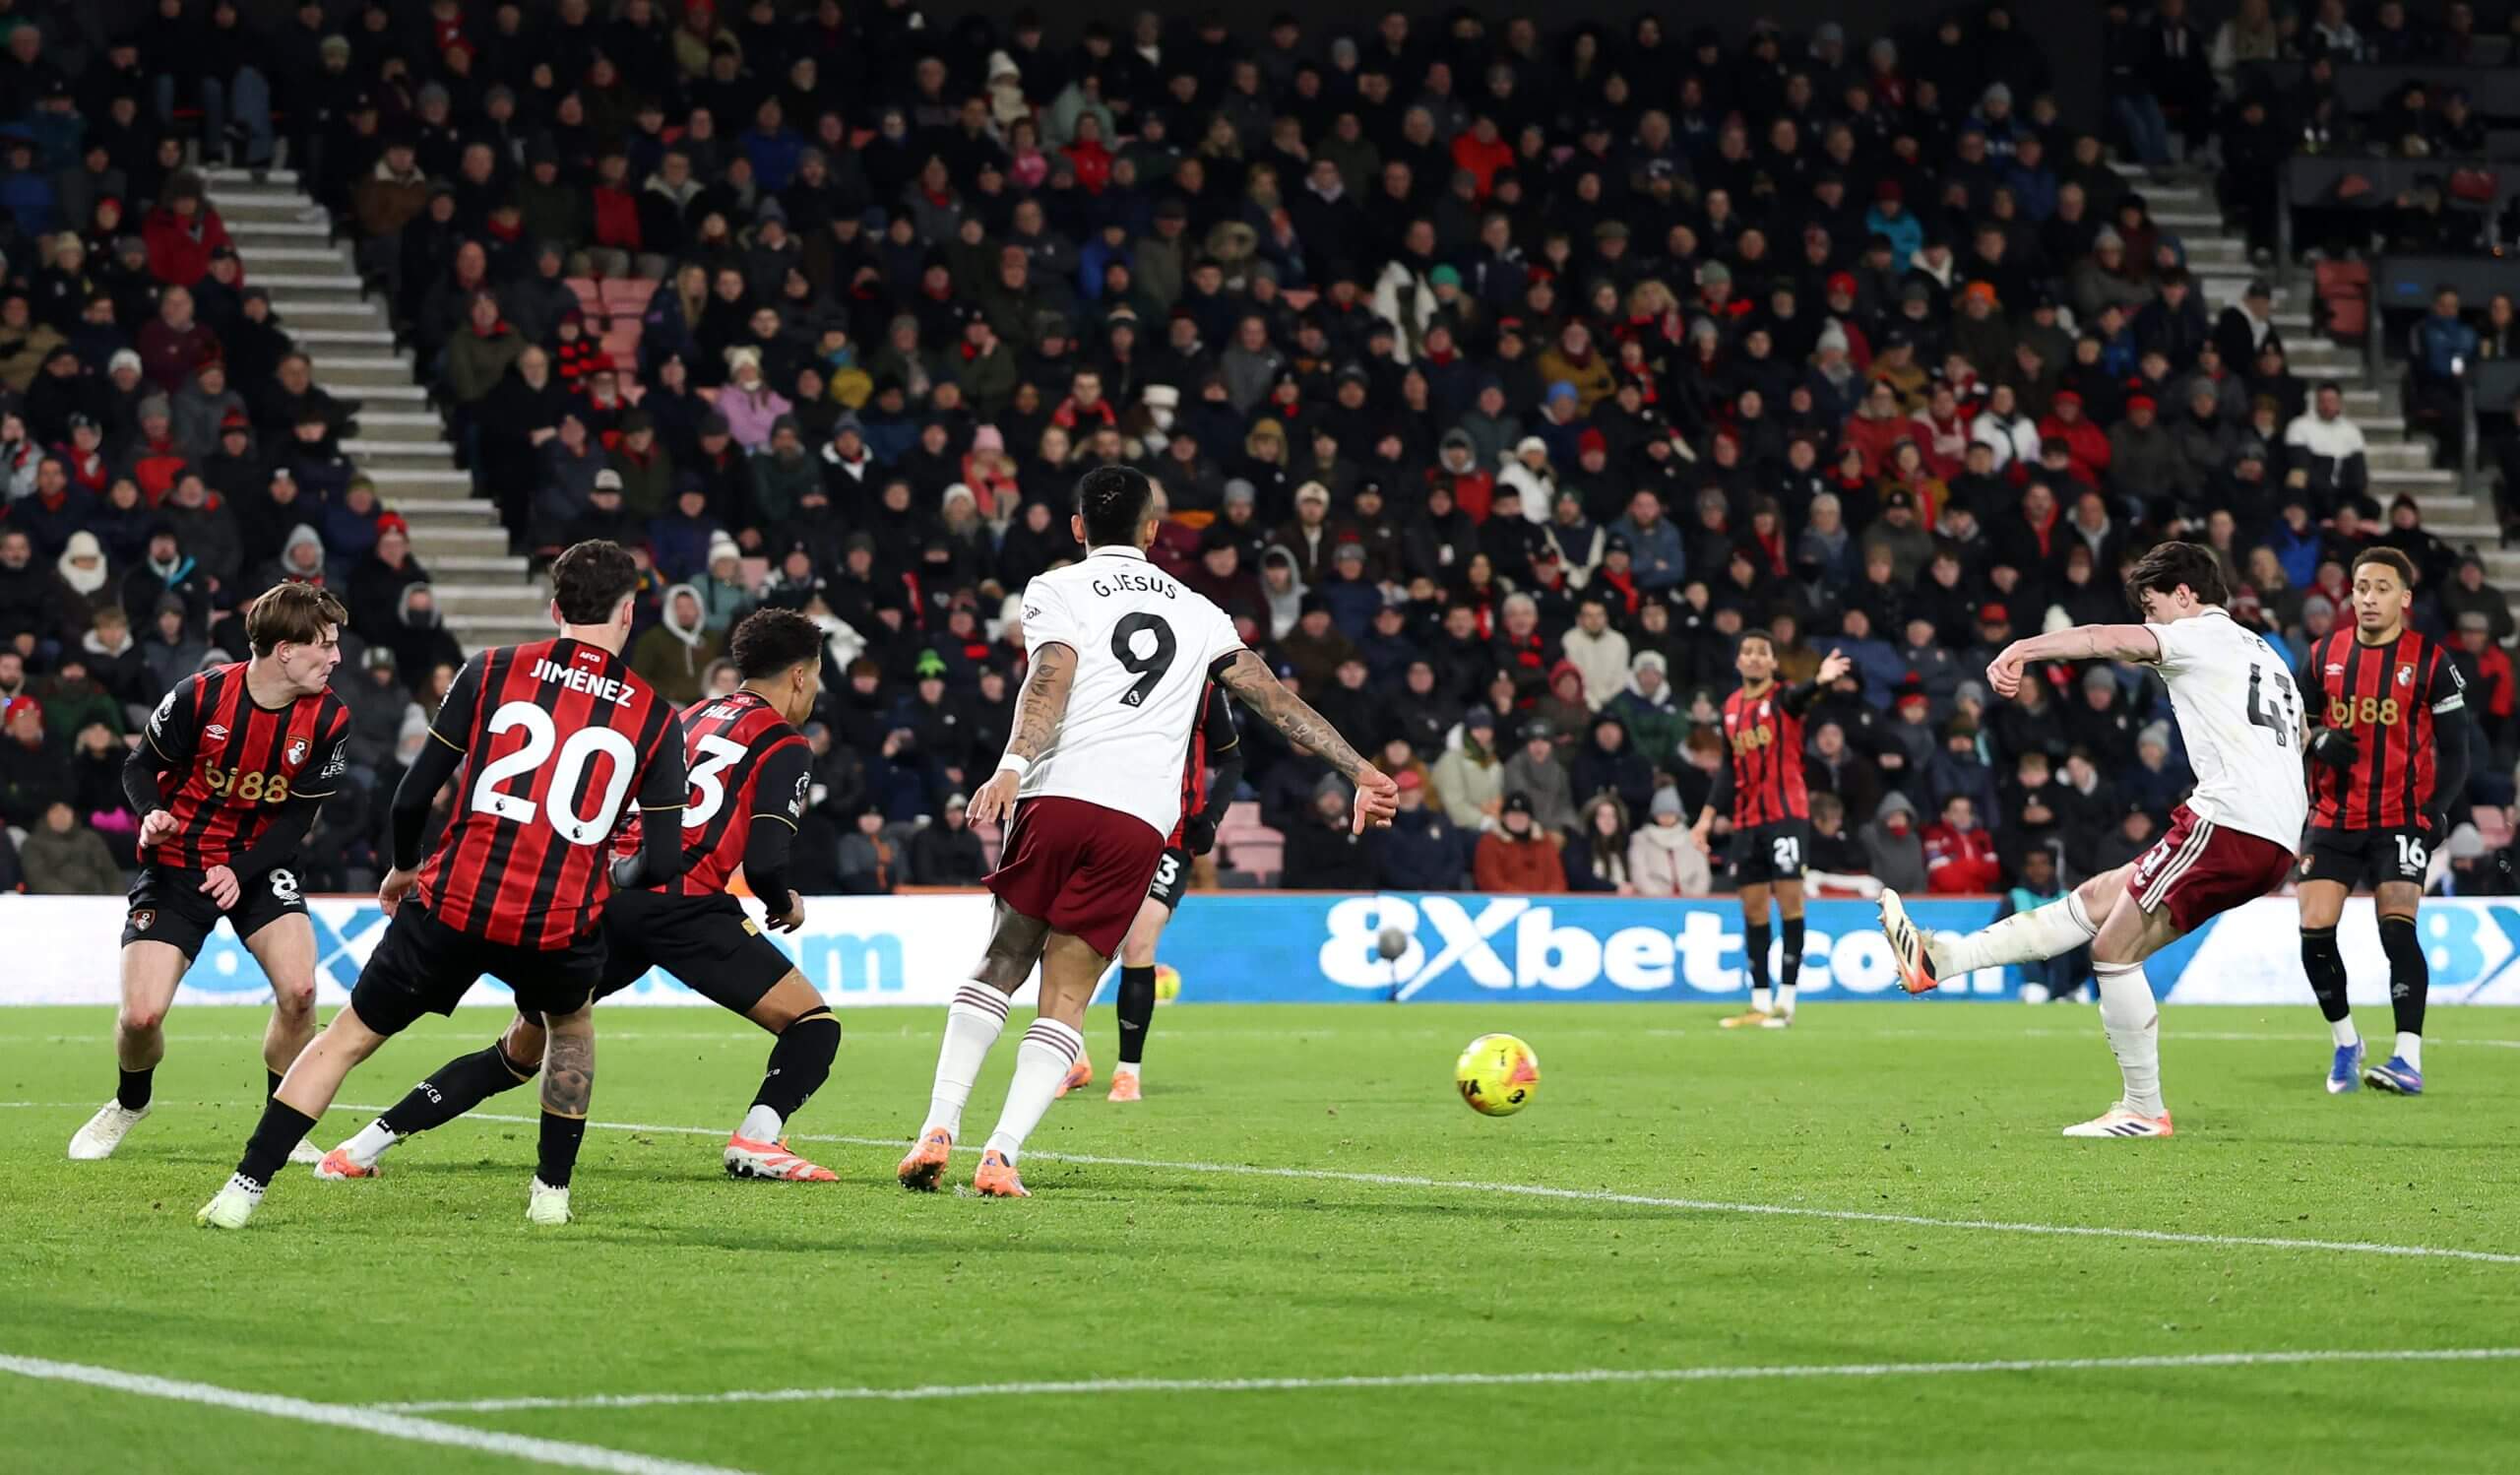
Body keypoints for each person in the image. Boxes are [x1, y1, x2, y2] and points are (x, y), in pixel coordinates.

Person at [898, 467, 1395, 1198]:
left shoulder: (1056, 587)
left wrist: (1011, 765)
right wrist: (1359, 769)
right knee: (1067, 996)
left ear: (1077, 528)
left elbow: (1051, 679)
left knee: (1002, 961)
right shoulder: (1200, 611)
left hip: (1060, 796)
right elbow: (1270, 698)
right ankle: (1001, 1153)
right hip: (1138, 823)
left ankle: (938, 1126)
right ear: (1154, 532)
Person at [197, 542, 691, 1229]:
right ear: (630, 612)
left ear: (554, 608)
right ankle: (550, 1195)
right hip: (553, 918)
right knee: (569, 1028)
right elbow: (663, 861)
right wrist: (604, 879)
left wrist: (405, 865)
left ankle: (241, 1192)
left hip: (454, 899)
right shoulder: (657, 717)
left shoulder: (490, 670)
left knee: (344, 1039)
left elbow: (413, 795)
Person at [318, 609, 846, 1183]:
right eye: (815, 678)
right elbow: (766, 862)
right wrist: (783, 901)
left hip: (612, 890)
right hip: (685, 903)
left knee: (519, 1051)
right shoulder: (784, 743)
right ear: (800, 675)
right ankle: (758, 1139)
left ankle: (361, 1147)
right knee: (812, 1024)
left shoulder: (685, 717)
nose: (813, 692)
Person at [1880, 542, 2307, 1138]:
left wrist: (2022, 649)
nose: (2150, 621)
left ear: (2185, 595)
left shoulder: (2198, 635)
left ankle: (2142, 1108)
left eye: (2153, 606)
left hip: (2232, 821)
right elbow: (2301, 739)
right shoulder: (2265, 652)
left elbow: (2106, 639)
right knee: (2102, 896)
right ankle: (1941, 961)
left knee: (2113, 951)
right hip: (2275, 834)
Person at [67, 586, 352, 1166]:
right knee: (140, 1017)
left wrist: (240, 868)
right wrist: (152, 813)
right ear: (284, 651)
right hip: (177, 864)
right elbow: (139, 767)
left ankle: (284, 1124)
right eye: (324, 645)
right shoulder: (201, 696)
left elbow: (298, 816)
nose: (336, 657)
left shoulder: (330, 718)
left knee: (300, 993)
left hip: (260, 864)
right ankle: (130, 1102)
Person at [2296, 547, 2468, 1096]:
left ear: (2405, 598)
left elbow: (2459, 750)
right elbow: (2293, 728)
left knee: (2398, 930)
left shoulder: (2432, 662)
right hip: (2333, 817)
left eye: (2382, 588)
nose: (2369, 597)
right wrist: (2318, 738)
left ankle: (2407, 1059)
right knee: (2313, 934)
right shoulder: (2323, 655)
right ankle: (2346, 1042)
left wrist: (2437, 808)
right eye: (2361, 587)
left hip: (2398, 816)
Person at [1691, 635, 1855, 1029]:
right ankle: (1760, 1002)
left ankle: (1787, 1001)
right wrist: (1706, 817)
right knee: (1752, 908)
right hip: (1747, 821)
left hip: (1786, 816)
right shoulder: (1730, 708)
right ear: (1738, 661)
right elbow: (1729, 769)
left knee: (1789, 902)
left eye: (1761, 652)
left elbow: (1801, 697)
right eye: (1747, 652)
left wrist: (1822, 680)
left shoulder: (1784, 699)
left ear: (1772, 662)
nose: (1753, 658)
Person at [1102, 681, 1242, 1104]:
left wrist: (1212, 817)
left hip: (1174, 836)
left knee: (1140, 941)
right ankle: (1070, 1055)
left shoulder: (1203, 688)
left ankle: (1128, 1072)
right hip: (1116, 829)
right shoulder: (1117, 675)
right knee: (1078, 943)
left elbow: (1231, 761)